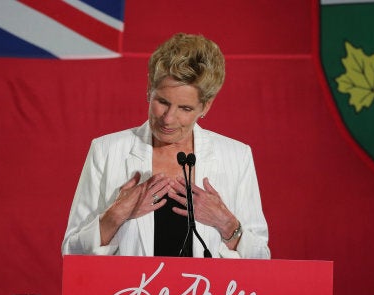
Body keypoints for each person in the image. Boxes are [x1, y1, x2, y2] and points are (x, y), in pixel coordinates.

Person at [61, 33, 270, 258]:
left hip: (206, 293)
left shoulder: (237, 156)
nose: (168, 119)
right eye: (162, 102)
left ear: (206, 106)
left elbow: (260, 257)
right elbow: (71, 254)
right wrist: (116, 215)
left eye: (185, 108)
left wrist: (227, 223)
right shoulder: (106, 151)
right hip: (131, 292)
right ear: (150, 88)